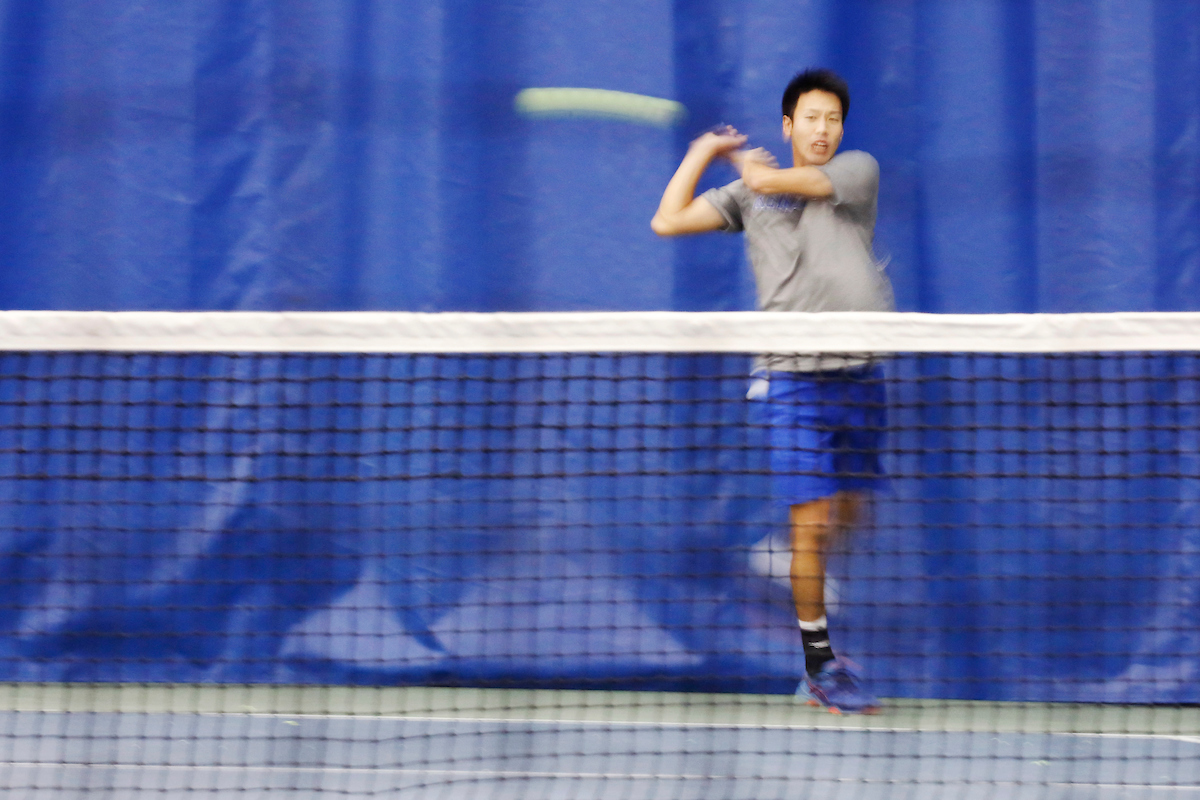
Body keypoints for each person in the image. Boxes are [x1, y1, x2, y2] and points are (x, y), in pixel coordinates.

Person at [651, 68, 893, 715]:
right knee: (814, 523)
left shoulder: (856, 171)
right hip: (793, 378)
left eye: (832, 120)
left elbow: (801, 183)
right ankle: (819, 665)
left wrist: (758, 175)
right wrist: (704, 153)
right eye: (811, 119)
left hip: (861, 375)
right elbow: (667, 220)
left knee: (850, 516)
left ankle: (790, 552)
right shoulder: (747, 195)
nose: (823, 130)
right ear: (789, 125)